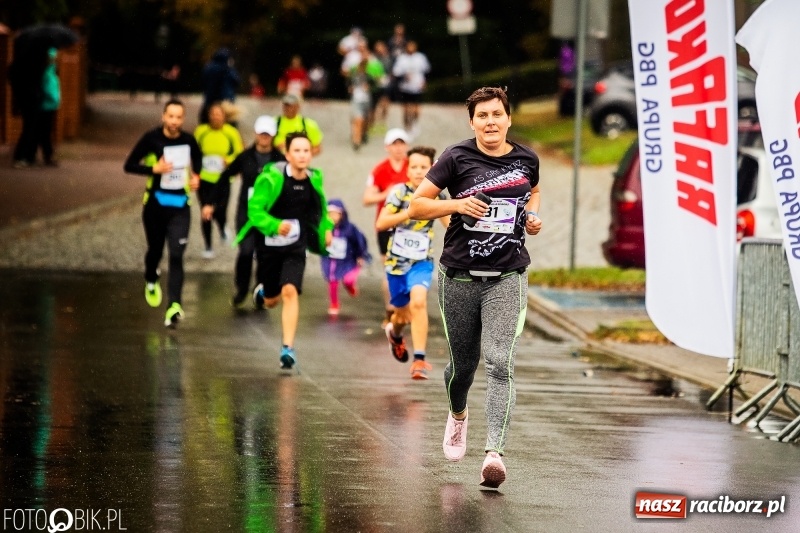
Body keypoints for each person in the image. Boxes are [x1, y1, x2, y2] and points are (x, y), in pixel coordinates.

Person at [408, 86, 542, 488]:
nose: (490, 122)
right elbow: (416, 206)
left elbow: (532, 193)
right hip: (459, 277)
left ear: (508, 119)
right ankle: (458, 415)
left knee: (500, 361)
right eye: (482, 116)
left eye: (497, 114)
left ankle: (494, 454)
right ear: (472, 123)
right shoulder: (455, 158)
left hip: (508, 276)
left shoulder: (526, 159)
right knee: (463, 367)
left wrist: (532, 218)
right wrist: (456, 205)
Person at [235, 132, 334, 369]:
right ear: (287, 154)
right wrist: (275, 225)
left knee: (290, 291)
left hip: (296, 248)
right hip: (269, 246)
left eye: (306, 151)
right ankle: (263, 294)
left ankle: (287, 348)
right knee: (271, 300)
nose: (302, 155)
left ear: (311, 154)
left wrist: (327, 229)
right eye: (297, 151)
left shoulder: (314, 179)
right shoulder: (271, 178)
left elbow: (320, 210)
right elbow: (254, 211)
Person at [123, 99, 203, 328]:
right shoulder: (152, 138)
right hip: (155, 205)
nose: (175, 121)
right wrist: (153, 169)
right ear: (163, 117)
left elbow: (198, 161)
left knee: (177, 254)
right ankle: (151, 277)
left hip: (180, 206)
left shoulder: (189, 140)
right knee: (155, 249)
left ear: (183, 119)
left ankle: (174, 306)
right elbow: (128, 165)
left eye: (179, 117)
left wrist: (196, 177)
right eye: (171, 116)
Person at [376, 146, 449, 380]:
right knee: (401, 317)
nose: (418, 172)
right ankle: (395, 334)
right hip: (396, 264)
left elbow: (449, 225)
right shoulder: (399, 193)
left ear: (432, 170)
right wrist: (411, 212)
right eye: (414, 167)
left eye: (424, 167)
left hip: (421, 262)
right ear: (407, 170)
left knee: (419, 302)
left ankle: (419, 360)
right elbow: (382, 223)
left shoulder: (437, 196)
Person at [217, 115, 285, 308]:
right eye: (261, 133)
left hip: (269, 214)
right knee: (246, 251)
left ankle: (260, 290)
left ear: (273, 136)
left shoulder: (280, 160)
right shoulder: (245, 157)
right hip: (246, 212)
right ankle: (241, 288)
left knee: (265, 254)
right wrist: (214, 202)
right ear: (256, 133)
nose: (264, 137)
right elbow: (225, 176)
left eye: (268, 134)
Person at [362, 128, 410, 326]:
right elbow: (366, 198)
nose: (398, 148)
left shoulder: (414, 166)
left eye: (401, 144)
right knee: (390, 269)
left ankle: (406, 310)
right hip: (386, 227)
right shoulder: (380, 170)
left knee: (409, 268)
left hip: (411, 227)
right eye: (394, 144)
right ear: (387, 147)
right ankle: (390, 311)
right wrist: (386, 193)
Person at [193, 102, 244, 258]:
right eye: (213, 114)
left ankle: (222, 227)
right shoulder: (201, 131)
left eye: (219, 114)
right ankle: (208, 246)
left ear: (224, 117)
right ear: (209, 116)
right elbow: (194, 153)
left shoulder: (231, 133)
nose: (216, 117)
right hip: (205, 179)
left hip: (223, 179)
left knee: (220, 210)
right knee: (206, 211)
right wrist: (195, 173)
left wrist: (229, 160)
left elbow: (239, 153)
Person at [11, 46, 60, 168]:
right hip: (41, 103)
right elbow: (44, 86)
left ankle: (37, 156)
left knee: (41, 131)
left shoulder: (49, 69)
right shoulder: (41, 70)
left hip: (46, 103)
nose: (53, 59)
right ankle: (27, 156)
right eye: (51, 57)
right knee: (34, 130)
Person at [321, 199, 371, 316]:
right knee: (332, 280)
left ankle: (350, 286)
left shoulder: (350, 229)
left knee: (348, 280)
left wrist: (360, 255)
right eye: (330, 214)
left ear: (342, 214)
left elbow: (359, 241)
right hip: (331, 259)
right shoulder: (325, 228)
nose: (333, 217)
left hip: (348, 260)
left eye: (335, 214)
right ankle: (334, 304)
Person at [392, 41, 430, 136]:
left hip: (417, 87)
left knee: (416, 109)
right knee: (406, 110)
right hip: (405, 87)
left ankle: (414, 123)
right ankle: (407, 126)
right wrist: (404, 76)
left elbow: (426, 71)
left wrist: (424, 82)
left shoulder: (420, 57)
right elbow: (396, 73)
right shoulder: (402, 58)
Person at [199, 48, 240, 125]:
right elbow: (236, 81)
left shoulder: (209, 68)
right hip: (226, 100)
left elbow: (203, 82)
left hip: (210, 99)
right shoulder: (228, 69)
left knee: (207, 120)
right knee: (229, 122)